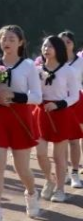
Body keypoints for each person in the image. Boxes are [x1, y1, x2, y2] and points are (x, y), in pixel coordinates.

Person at [0, 25, 42, 221]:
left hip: (20, 118)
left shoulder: (28, 66)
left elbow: (37, 97)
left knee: (21, 168)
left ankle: (31, 193)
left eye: (12, 39)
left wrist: (14, 96)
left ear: (21, 42)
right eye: (3, 38)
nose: (7, 42)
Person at [34, 35, 79, 203]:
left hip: (61, 114)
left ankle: (60, 189)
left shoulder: (68, 71)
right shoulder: (36, 70)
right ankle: (49, 179)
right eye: (45, 46)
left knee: (58, 156)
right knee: (40, 153)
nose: (46, 49)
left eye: (50, 46)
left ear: (58, 49)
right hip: (41, 113)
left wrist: (59, 104)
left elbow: (74, 96)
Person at [58, 31, 83, 189]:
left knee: (74, 140)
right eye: (62, 42)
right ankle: (64, 171)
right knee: (62, 141)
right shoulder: (53, 60)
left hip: (77, 102)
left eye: (68, 42)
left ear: (73, 44)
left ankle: (75, 173)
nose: (65, 45)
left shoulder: (80, 62)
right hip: (59, 102)